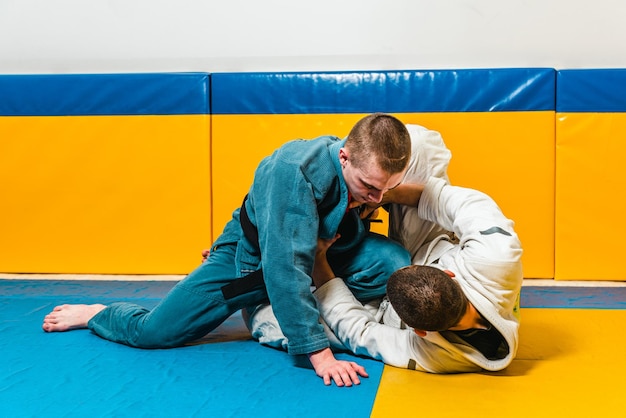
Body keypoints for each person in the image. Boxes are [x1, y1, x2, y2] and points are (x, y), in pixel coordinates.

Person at [42, 113, 413, 387]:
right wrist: (318, 352)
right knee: (155, 333)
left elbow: (367, 202)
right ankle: (98, 314)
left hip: (322, 253)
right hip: (251, 262)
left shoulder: (368, 164)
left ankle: (290, 299)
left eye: (387, 188)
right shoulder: (294, 172)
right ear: (344, 157)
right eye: (370, 187)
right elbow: (284, 269)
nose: (379, 198)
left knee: (393, 264)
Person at [246, 124, 524, 373]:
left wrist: (319, 261)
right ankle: (352, 180)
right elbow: (452, 202)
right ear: (450, 274)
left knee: (275, 322)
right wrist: (378, 195)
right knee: (422, 143)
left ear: (419, 332)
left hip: (384, 312)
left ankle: (274, 259)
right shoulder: (497, 259)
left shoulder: (439, 356)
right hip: (428, 246)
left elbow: (359, 332)